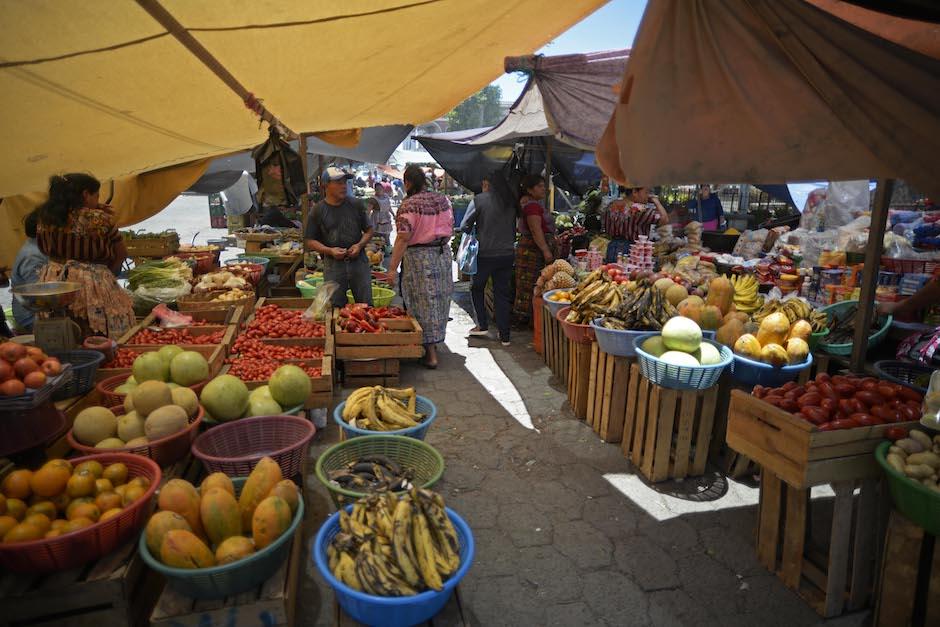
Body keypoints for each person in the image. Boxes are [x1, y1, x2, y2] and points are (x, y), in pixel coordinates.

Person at [34, 173, 135, 339]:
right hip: (91, 284)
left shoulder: (44, 217)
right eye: (97, 196)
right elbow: (121, 253)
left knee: (63, 331)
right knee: (93, 330)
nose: (98, 200)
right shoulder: (99, 219)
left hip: (54, 281)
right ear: (85, 194)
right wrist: (108, 273)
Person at [386, 164, 454, 369]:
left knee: (423, 302)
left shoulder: (408, 206)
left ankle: (430, 353)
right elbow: (450, 225)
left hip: (419, 258)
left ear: (407, 183)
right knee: (439, 301)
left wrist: (391, 269)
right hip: (442, 255)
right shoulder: (443, 200)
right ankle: (432, 343)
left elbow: (402, 239)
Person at [305, 167, 374, 307]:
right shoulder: (318, 210)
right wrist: (329, 251)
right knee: (335, 307)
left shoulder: (356, 204)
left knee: (366, 306)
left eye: (344, 182)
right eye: (338, 182)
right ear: (325, 185)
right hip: (333, 266)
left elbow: (369, 230)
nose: (343, 186)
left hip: (359, 262)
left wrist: (359, 245)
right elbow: (309, 241)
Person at [464, 174, 516, 345]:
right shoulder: (509, 200)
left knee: (476, 287)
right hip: (507, 254)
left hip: (486, 254)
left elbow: (465, 225)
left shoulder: (479, 199)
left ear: (486, 183)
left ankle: (482, 325)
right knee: (502, 293)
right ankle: (505, 336)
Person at [513, 174, 556, 321]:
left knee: (535, 283)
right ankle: (529, 318)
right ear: (530, 190)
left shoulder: (534, 204)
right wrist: (546, 251)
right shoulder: (532, 206)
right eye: (539, 186)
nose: (544, 189)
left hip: (532, 248)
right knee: (532, 283)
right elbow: (535, 230)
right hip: (533, 250)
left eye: (544, 186)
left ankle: (532, 318)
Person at [604, 185, 670, 263]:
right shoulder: (640, 210)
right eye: (646, 192)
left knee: (612, 272)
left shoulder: (611, 206)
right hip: (633, 251)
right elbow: (664, 220)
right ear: (635, 192)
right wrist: (656, 201)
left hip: (612, 248)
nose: (648, 196)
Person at [11, 210, 48, 331]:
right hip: (30, 315)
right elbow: (38, 294)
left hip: (35, 308)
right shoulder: (33, 255)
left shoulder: (39, 247)